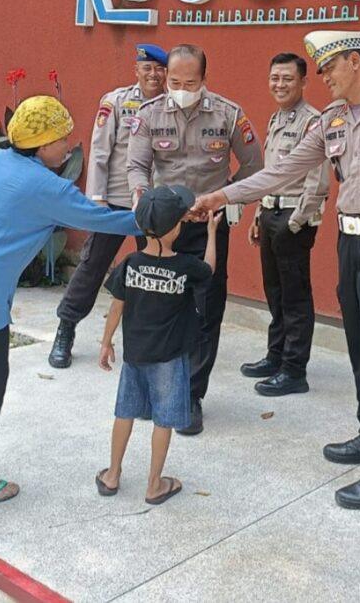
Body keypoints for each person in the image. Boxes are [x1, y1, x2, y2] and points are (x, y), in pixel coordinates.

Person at [192, 30, 360, 510]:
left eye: (329, 68)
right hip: (350, 243)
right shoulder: (331, 120)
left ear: (355, 61)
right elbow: (282, 171)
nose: (323, 78)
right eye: (319, 70)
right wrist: (223, 196)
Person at [0, 96, 143, 511]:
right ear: (42, 144)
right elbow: (102, 220)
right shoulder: (45, 186)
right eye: (62, 140)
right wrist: (160, 217)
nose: (68, 147)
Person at [128, 44, 264, 436]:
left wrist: (225, 197)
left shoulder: (228, 114)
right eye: (174, 82)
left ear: (204, 78)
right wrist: (142, 199)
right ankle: (152, 390)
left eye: (190, 83)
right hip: (161, 228)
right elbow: (137, 165)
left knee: (205, 310)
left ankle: (189, 395)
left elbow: (254, 165)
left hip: (208, 227)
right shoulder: (148, 114)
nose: (181, 89)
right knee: (154, 308)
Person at [95, 186, 221, 505]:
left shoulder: (130, 262)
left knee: (124, 413)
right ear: (177, 227)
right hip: (169, 357)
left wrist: (106, 343)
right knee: (163, 420)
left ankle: (112, 474)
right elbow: (209, 270)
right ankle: (154, 485)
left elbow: (116, 306)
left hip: (134, 355)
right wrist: (211, 233)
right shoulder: (185, 266)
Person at [49, 43, 168, 369]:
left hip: (153, 203)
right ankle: (66, 329)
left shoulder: (171, 106)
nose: (154, 75)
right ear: (136, 70)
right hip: (115, 201)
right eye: (147, 68)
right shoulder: (116, 102)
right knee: (92, 266)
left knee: (158, 269)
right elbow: (100, 151)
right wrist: (97, 199)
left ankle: (154, 338)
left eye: (160, 69)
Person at [240, 52, 329, 397]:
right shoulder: (276, 118)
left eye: (287, 78)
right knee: (275, 293)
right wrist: (258, 213)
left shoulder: (313, 122)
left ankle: (294, 370)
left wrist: (296, 221)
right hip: (271, 213)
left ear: (303, 82)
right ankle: (275, 356)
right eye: (275, 78)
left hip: (293, 218)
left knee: (295, 297)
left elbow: (318, 181)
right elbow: (270, 174)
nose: (280, 84)